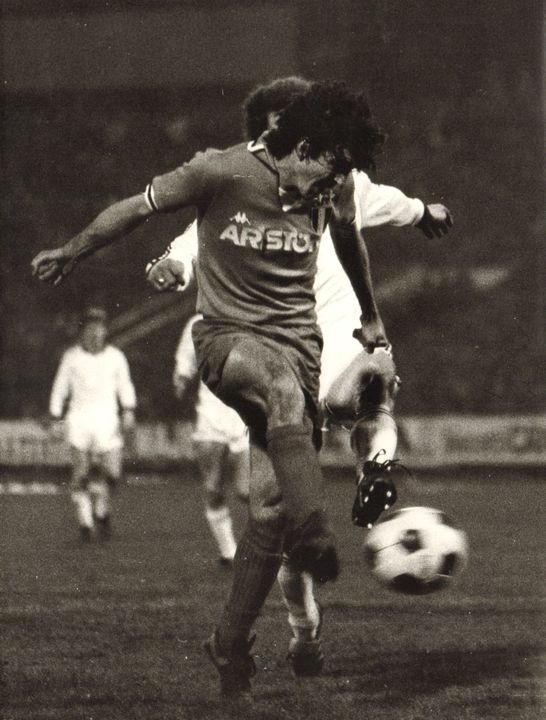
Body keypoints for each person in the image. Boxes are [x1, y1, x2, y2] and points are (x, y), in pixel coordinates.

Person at [30, 80, 402, 696]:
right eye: (326, 175)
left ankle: (229, 643)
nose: (330, 189)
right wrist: (75, 250)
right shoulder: (221, 171)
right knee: (280, 397)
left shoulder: (330, 184)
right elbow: (136, 208)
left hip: (299, 350)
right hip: (228, 341)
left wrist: (372, 314)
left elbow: (347, 236)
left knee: (268, 512)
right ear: (302, 148)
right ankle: (316, 529)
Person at [145, 76, 453, 679]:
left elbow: (391, 200)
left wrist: (425, 211)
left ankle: (376, 467)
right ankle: (302, 633)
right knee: (278, 523)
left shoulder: (342, 182)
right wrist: (171, 265)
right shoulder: (238, 189)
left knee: (373, 382)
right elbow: (188, 242)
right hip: (278, 352)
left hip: (337, 337)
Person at [48, 307, 136, 542]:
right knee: (81, 473)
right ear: (83, 331)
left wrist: (128, 409)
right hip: (79, 418)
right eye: (90, 327)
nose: (95, 332)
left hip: (107, 419)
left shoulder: (116, 357)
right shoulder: (72, 357)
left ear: (105, 330)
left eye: (99, 327)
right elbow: (60, 388)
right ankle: (86, 522)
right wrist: (56, 416)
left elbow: (125, 385)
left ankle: (101, 509)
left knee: (113, 474)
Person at [175, 313, 249, 567]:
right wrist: (181, 377)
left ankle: (276, 540)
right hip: (210, 413)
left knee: (247, 490)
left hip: (245, 412)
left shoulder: (250, 314)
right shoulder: (198, 322)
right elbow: (185, 359)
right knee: (212, 487)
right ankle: (229, 553)